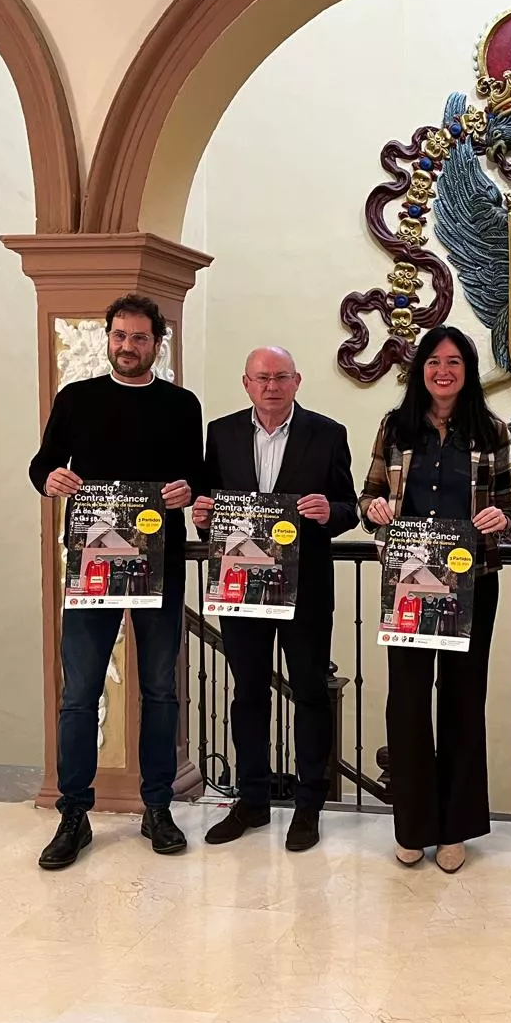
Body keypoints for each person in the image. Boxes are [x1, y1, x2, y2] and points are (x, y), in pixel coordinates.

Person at [28, 293, 203, 870]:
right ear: (108, 338)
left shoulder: (182, 405)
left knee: (159, 689)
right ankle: (73, 814)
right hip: (94, 563)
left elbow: (197, 477)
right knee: (79, 693)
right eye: (120, 336)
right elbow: (42, 463)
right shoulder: (76, 399)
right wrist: (49, 478)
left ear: (158, 343)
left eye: (139, 337)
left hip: (159, 563)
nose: (128, 346)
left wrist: (188, 491)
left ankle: (158, 806)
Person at [360, 325, 511, 873]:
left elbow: (508, 504)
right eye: (433, 362)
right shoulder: (395, 427)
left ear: (467, 371)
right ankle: (412, 826)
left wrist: (502, 518)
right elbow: (368, 496)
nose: (442, 371)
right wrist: (374, 510)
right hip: (407, 581)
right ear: (419, 369)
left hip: (472, 583)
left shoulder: (491, 431)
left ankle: (454, 829)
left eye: (453, 362)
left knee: (462, 701)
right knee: (406, 701)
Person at [192, 346, 358, 853]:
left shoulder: (327, 433)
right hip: (241, 585)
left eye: (281, 377)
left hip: (305, 589)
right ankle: (252, 800)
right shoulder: (221, 433)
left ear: (297, 381)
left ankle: (309, 806)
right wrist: (202, 517)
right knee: (247, 694)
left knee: (309, 693)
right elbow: (208, 505)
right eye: (262, 378)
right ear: (246, 383)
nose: (271, 386)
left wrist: (329, 511)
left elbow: (349, 507)